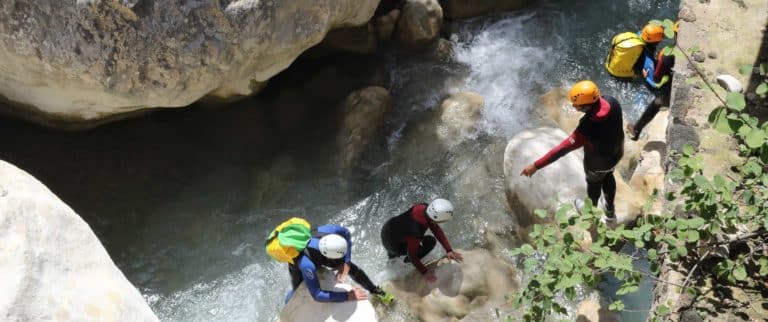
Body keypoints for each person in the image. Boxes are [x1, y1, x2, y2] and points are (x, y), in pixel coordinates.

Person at [520, 81, 624, 221]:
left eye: (577, 104)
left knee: (594, 184)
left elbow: (562, 149)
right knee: (609, 175)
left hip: (598, 164)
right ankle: (610, 212)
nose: (574, 106)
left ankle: (590, 212)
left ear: (587, 106)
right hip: (617, 153)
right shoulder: (611, 101)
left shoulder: (588, 126)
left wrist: (536, 165)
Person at [288, 224, 393, 304]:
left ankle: (375, 290)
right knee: (298, 288)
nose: (341, 260)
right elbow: (317, 295)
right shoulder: (308, 266)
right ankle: (289, 299)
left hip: (321, 254)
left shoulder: (329, 231)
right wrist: (347, 295)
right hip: (299, 264)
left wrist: (346, 262)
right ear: (328, 257)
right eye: (338, 258)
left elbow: (346, 233)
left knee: (350, 267)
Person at [380, 198, 464, 283]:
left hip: (388, 228)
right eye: (441, 221)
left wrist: (449, 250)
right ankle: (406, 262)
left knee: (429, 240)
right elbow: (412, 255)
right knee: (429, 243)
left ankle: (392, 259)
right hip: (393, 244)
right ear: (435, 219)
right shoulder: (416, 230)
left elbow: (435, 229)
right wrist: (425, 272)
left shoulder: (423, 207)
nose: (441, 222)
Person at [627, 22, 677, 141]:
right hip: (650, 75)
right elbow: (656, 80)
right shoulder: (666, 55)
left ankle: (636, 129)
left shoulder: (640, 37)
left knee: (656, 103)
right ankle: (636, 130)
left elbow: (656, 76)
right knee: (657, 102)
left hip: (638, 70)